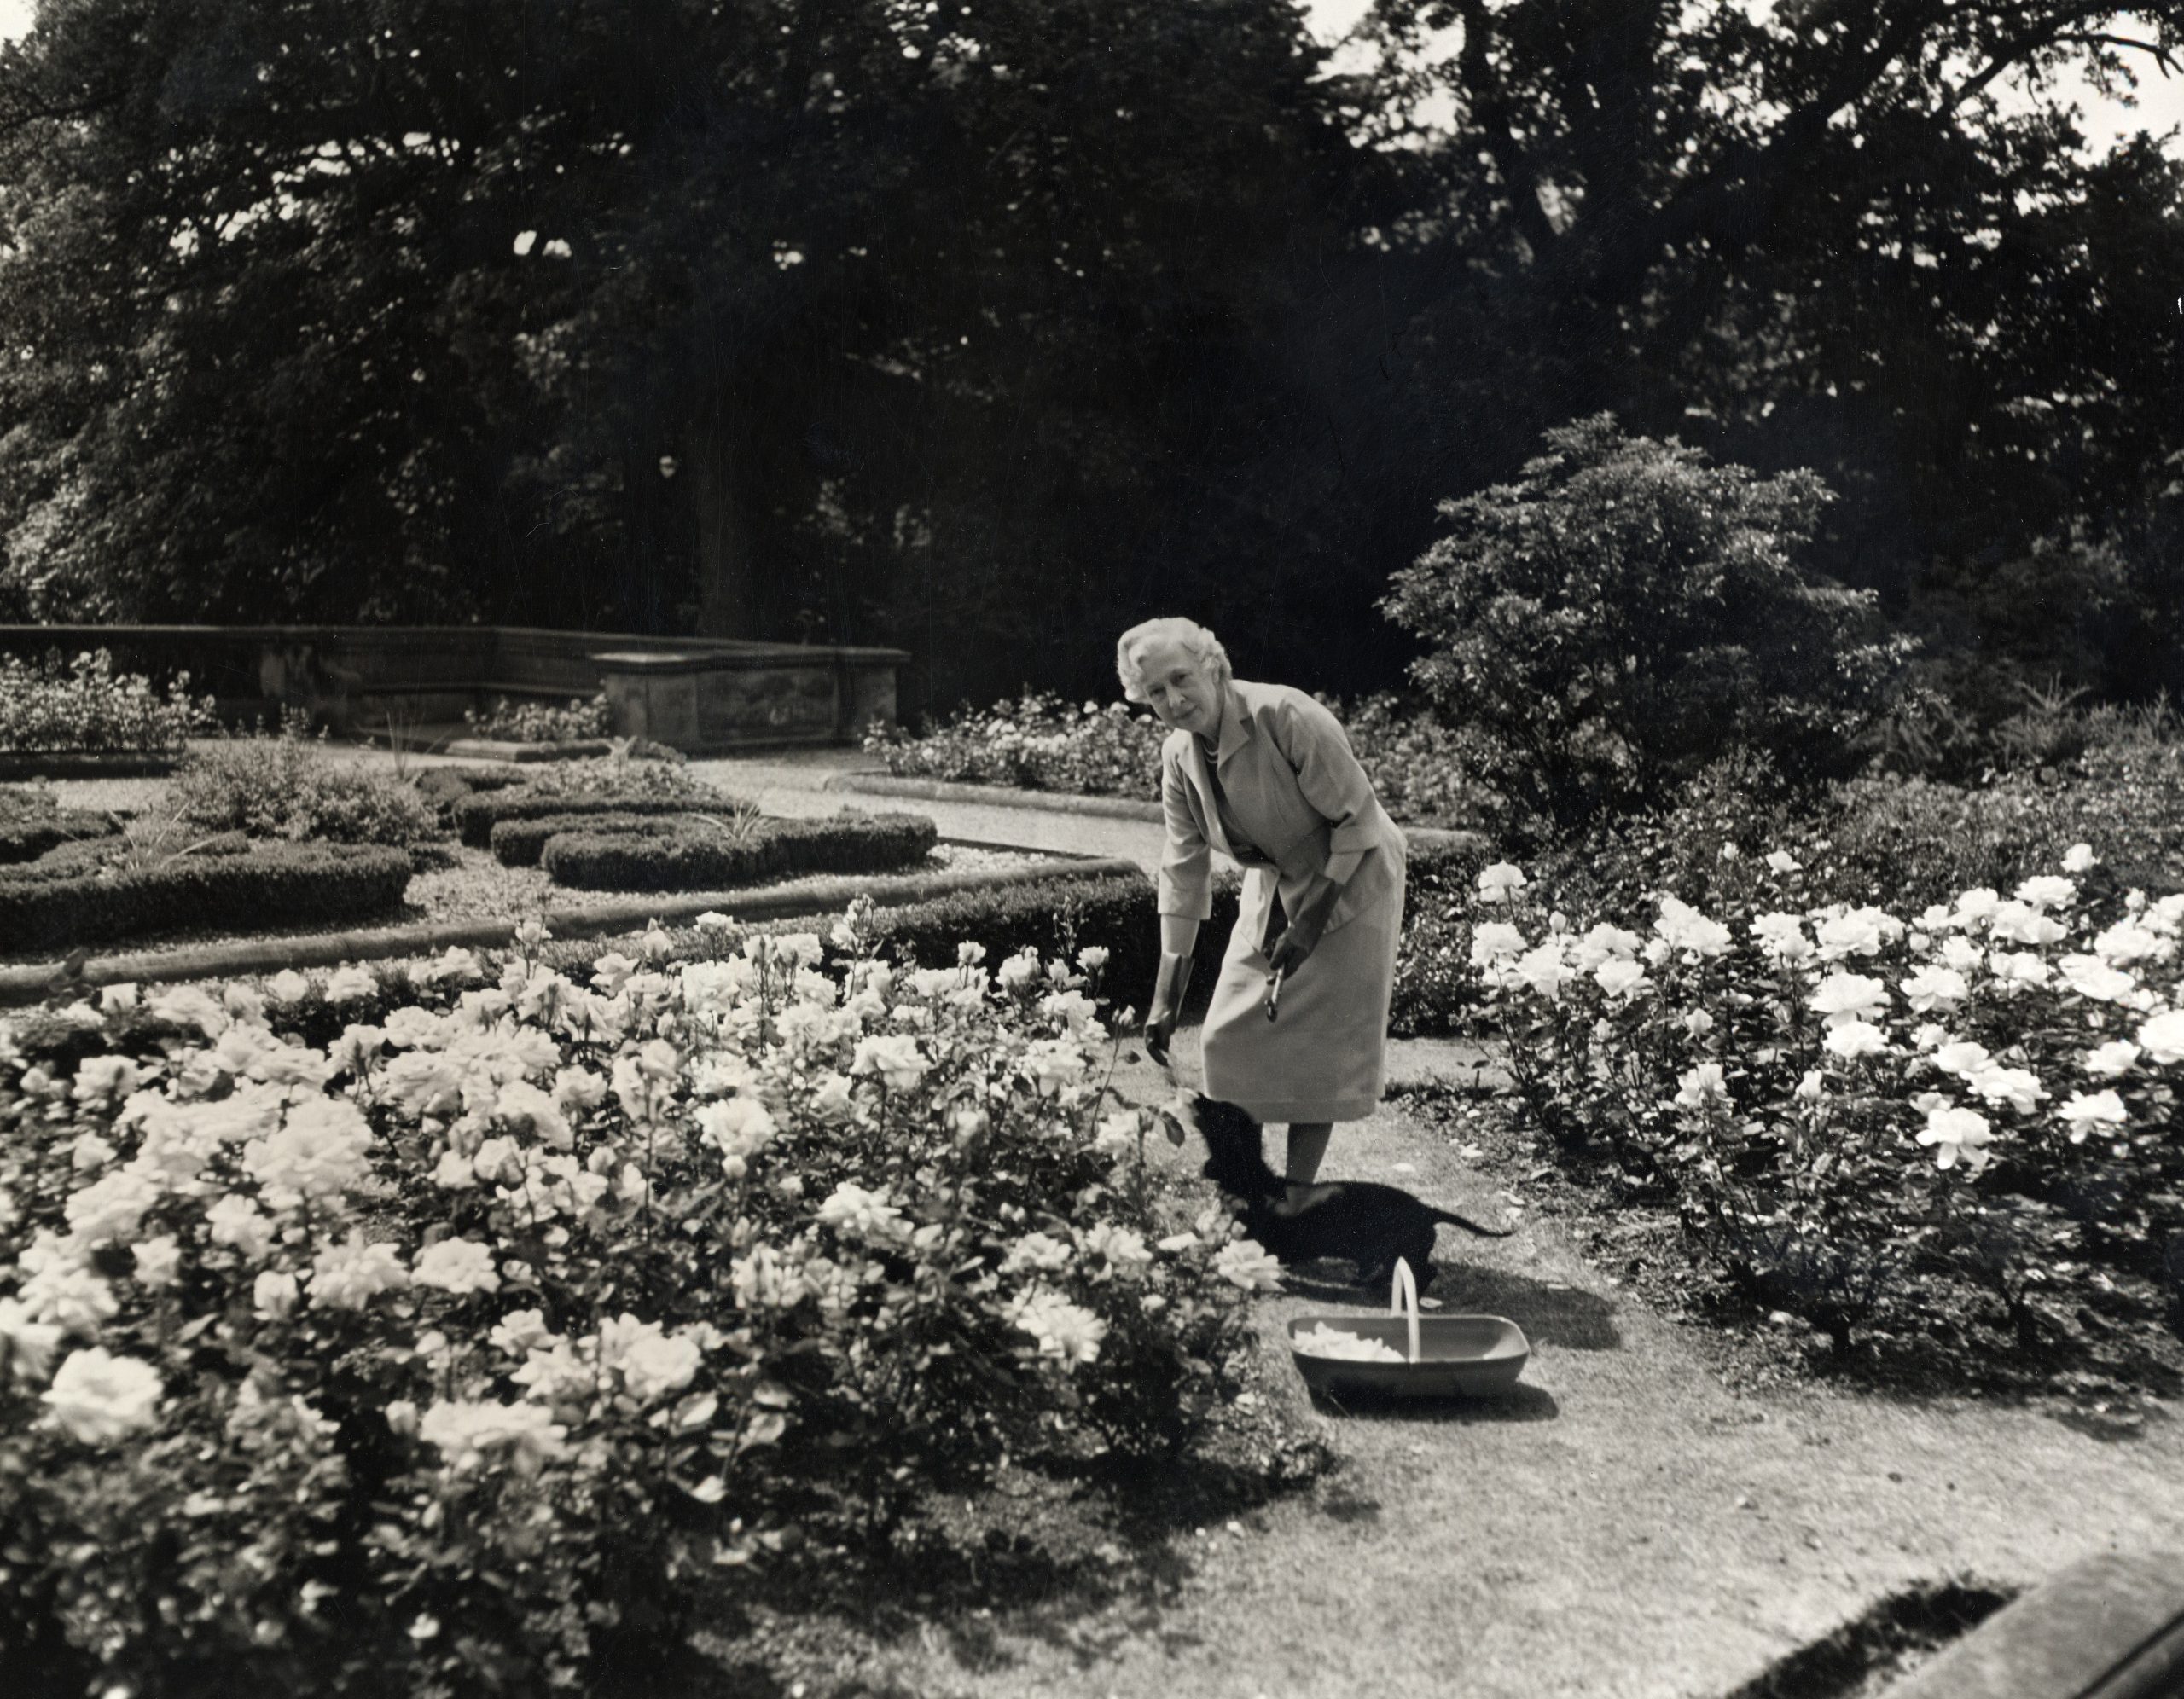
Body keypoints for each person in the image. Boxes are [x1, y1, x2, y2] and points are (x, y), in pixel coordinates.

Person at [1119, 616, 1408, 1211]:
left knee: (1320, 1054)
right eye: (1155, 692)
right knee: (1225, 1040)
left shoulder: (1287, 715)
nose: (1173, 700)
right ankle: (1251, 1185)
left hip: (1353, 877)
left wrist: (1309, 924)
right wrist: (1165, 998)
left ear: (1214, 667)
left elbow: (1358, 821)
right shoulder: (1179, 756)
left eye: (1182, 678)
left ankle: (1297, 1200)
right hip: (1274, 886)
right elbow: (1182, 868)